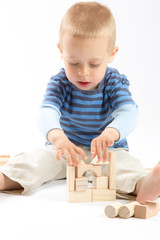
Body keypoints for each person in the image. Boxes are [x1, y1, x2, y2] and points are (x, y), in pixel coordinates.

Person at [0, 1, 160, 204]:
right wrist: (59, 140)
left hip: (106, 152)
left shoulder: (114, 82)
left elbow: (128, 112)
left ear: (111, 54)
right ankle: (5, 179)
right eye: (73, 62)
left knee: (124, 166)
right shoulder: (60, 83)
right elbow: (46, 112)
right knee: (36, 161)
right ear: (61, 50)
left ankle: (143, 186)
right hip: (66, 150)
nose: (83, 72)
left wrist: (111, 133)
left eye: (94, 64)